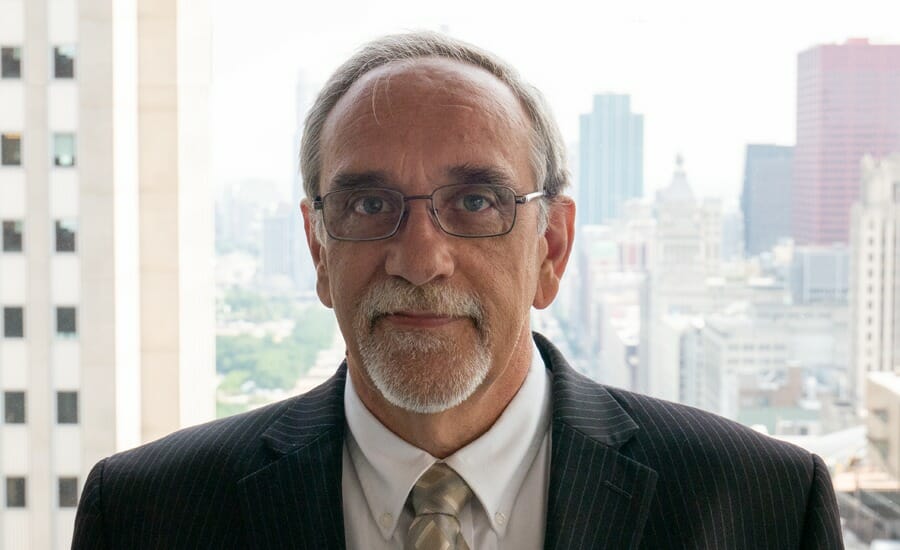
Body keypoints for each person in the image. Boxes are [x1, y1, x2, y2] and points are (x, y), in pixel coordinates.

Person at [72, 32, 844, 550]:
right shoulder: (147, 516)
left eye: (476, 202)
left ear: (551, 247)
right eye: (369, 205)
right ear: (317, 247)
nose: (420, 258)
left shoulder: (761, 507)